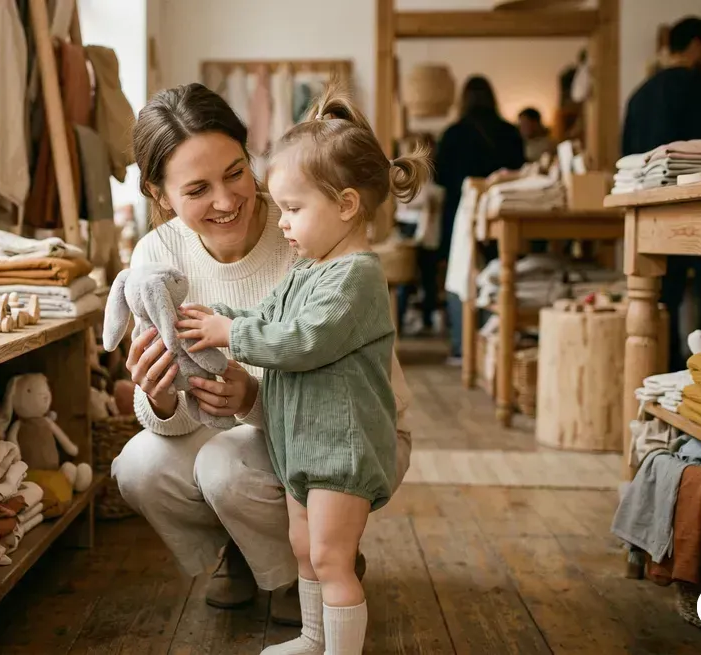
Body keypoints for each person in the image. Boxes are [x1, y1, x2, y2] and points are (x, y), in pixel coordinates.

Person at [111, 82, 414, 627]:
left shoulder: (307, 225)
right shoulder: (156, 256)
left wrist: (250, 395)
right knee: (137, 465)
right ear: (160, 195)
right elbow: (172, 421)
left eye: (235, 172)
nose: (227, 201)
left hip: (342, 429)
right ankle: (258, 555)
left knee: (224, 464)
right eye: (198, 188)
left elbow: (334, 374)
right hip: (271, 428)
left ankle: (315, 564)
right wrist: (157, 397)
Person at [621, 16, 701, 370]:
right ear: (696, 44)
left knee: (660, 293)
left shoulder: (639, 93)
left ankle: (660, 368)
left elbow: (626, 154)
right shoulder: (698, 84)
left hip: (651, 206)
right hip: (696, 204)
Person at [435, 76, 525, 362]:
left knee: (461, 275)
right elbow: (519, 171)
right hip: (503, 212)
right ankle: (494, 345)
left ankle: (462, 347)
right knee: (500, 274)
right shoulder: (509, 132)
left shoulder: (453, 133)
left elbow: (439, 177)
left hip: (461, 213)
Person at [393, 133, 443, 333]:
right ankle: (401, 320)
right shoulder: (402, 171)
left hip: (427, 228)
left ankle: (427, 320)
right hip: (409, 227)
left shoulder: (430, 171)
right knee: (405, 277)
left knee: (428, 277)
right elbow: (404, 199)